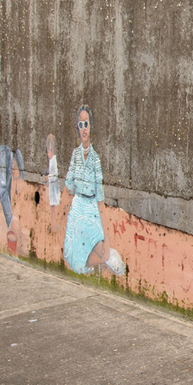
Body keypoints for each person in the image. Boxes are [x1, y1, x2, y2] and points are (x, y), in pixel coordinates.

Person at [63, 105, 126, 277]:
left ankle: (108, 256)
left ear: (91, 127)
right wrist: (59, 215)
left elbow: (100, 199)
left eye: (86, 124)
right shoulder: (75, 155)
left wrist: (107, 236)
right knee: (70, 256)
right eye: (80, 125)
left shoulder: (95, 159)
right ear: (78, 128)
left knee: (100, 249)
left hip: (90, 209)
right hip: (77, 208)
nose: (84, 129)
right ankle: (105, 258)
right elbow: (68, 185)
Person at [46, 133, 60, 233]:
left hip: (54, 187)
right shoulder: (51, 160)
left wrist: (49, 178)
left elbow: (55, 174)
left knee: (54, 207)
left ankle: (54, 226)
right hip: (51, 187)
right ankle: (53, 225)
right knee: (52, 207)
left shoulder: (54, 160)